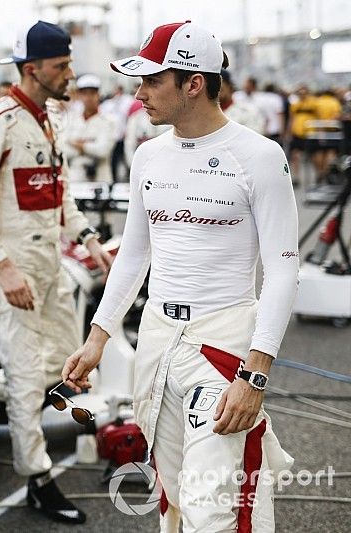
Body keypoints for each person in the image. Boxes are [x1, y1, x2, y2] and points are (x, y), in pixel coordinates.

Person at [62, 21, 298, 532]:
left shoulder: (259, 156)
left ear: (194, 83)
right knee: (171, 492)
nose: (138, 92)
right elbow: (133, 255)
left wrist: (255, 375)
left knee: (215, 505)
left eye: (152, 81)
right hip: (157, 340)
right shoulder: (148, 155)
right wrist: (98, 337)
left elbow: (282, 270)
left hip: (223, 345)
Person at [0, 20, 113, 524]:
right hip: (14, 274)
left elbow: (58, 194)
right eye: (62, 65)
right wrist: (3, 269)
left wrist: (87, 238)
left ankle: (17, 414)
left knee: (67, 366)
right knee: (26, 377)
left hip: (51, 267)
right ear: (32, 68)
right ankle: (37, 478)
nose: (69, 73)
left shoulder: (48, 119)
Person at [63, 74, 116, 182]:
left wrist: (77, 144)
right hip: (75, 178)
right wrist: (90, 145)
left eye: (92, 93)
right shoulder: (70, 119)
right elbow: (63, 149)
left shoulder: (109, 121)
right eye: (84, 94)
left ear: (98, 95)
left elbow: (103, 151)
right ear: (79, 95)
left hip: (100, 178)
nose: (88, 98)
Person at [219, 70, 265, 134]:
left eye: (221, 89)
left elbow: (255, 138)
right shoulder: (205, 114)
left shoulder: (249, 111)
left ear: (229, 86)